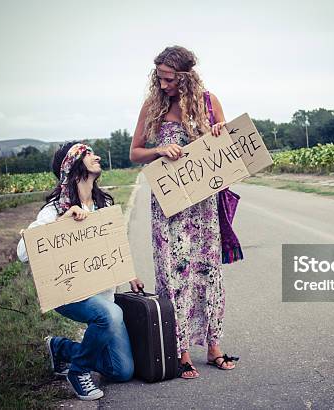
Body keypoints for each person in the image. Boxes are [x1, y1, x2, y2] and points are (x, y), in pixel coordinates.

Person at [130, 45, 239, 379]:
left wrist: (219, 133)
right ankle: (180, 351)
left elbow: (229, 147)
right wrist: (158, 150)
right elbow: (135, 153)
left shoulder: (209, 102)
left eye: (168, 79)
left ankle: (213, 347)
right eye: (159, 78)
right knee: (173, 274)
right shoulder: (153, 106)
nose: (163, 85)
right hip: (169, 206)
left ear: (185, 76)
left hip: (203, 205)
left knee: (207, 271)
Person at [17, 142, 144, 400]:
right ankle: (79, 370)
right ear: (73, 166)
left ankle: (62, 348)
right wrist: (61, 222)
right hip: (69, 296)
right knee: (110, 314)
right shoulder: (55, 209)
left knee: (121, 371)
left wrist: (129, 273)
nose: (96, 156)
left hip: (102, 297)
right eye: (88, 154)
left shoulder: (103, 203)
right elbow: (22, 252)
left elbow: (113, 249)